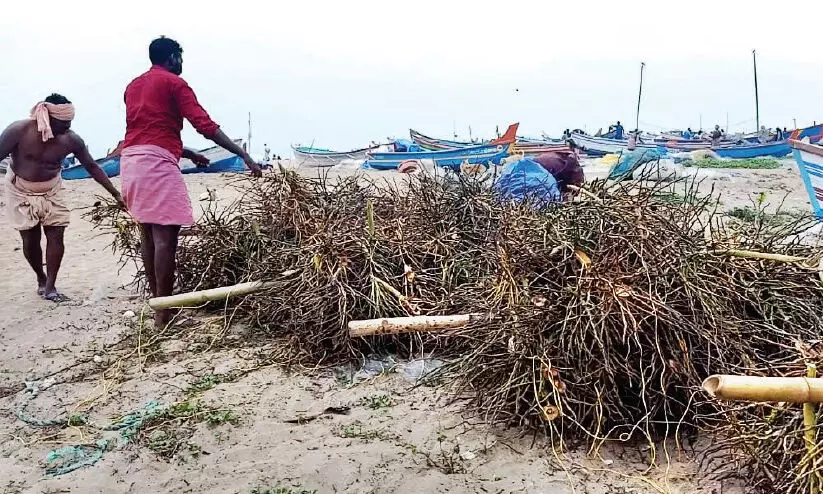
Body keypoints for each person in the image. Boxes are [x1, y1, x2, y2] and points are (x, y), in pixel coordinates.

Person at [121, 36, 262, 327]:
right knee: (165, 238)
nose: (181, 64)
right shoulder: (175, 83)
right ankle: (164, 314)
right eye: (180, 58)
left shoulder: (133, 86)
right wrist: (243, 154)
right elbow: (205, 125)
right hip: (156, 162)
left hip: (132, 161)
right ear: (173, 58)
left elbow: (145, 129)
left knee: (147, 233)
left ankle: (159, 303)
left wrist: (189, 153)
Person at [0, 94, 124, 301]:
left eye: (70, 122)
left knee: (56, 235)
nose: (67, 126)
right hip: (19, 188)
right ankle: (41, 277)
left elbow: (92, 167)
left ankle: (50, 287)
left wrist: (116, 194)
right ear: (47, 116)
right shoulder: (19, 131)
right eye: (63, 123)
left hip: (52, 189)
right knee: (30, 239)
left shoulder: (71, 140)